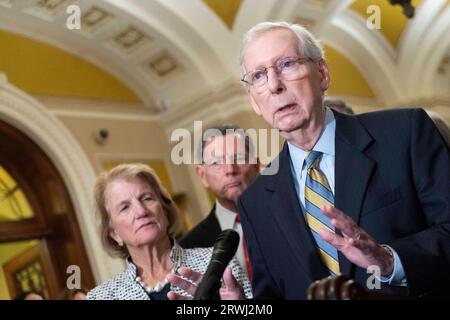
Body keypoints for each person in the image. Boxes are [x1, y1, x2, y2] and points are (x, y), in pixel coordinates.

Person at [234, 21, 450, 299]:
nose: (274, 85)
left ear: (322, 73)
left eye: (287, 64)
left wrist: (389, 261)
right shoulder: (255, 202)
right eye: (259, 76)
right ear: (254, 100)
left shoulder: (405, 133)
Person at [86, 163, 252, 300]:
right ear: (114, 234)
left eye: (147, 198)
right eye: (125, 207)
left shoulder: (220, 263)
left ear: (164, 210)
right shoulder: (101, 297)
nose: (141, 211)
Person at [180, 124, 260, 278]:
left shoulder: (289, 214)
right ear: (202, 176)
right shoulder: (188, 247)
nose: (230, 169)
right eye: (217, 163)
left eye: (239, 158)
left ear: (256, 165)